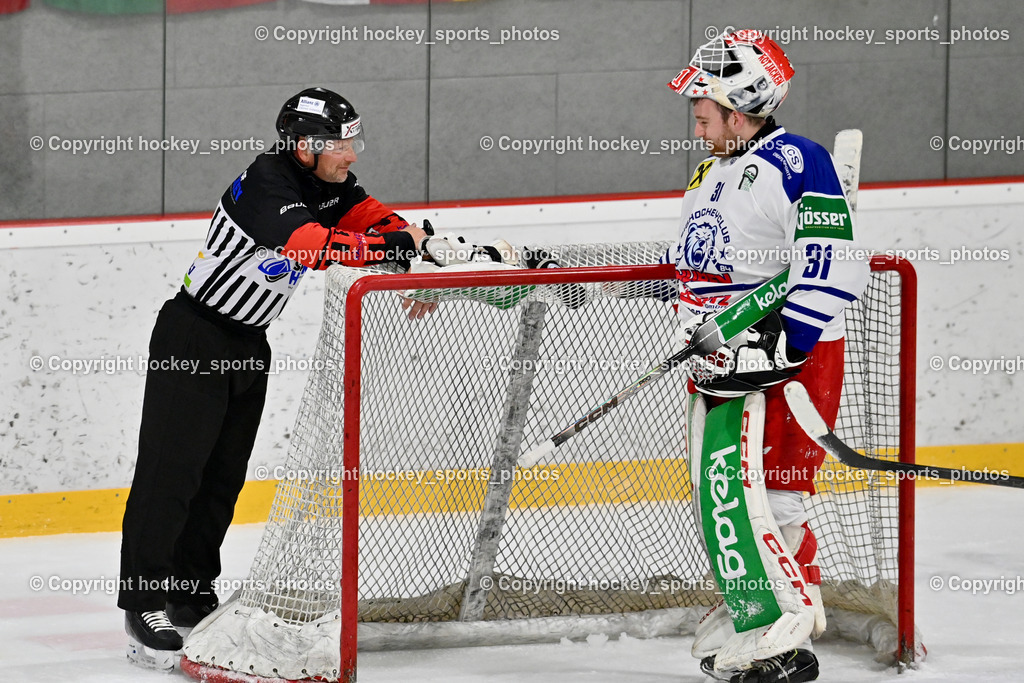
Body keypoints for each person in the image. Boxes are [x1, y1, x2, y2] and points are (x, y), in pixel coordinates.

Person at [118, 87, 428, 670]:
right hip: (195, 335)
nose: (352, 155)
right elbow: (312, 247)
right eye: (342, 144)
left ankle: (188, 590)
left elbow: (376, 218)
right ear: (305, 147)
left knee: (220, 477)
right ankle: (143, 603)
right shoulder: (267, 181)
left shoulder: (327, 186)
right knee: (170, 473)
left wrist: (406, 247)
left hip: (248, 343)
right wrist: (391, 246)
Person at [664, 30, 869, 682]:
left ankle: (781, 637)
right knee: (723, 499)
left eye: (705, 98)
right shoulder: (709, 170)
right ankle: (761, 616)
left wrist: (783, 344)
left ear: (742, 100)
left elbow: (832, 265)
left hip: (790, 364)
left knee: (772, 504)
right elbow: (695, 269)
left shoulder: (798, 161)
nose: (695, 110)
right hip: (722, 362)